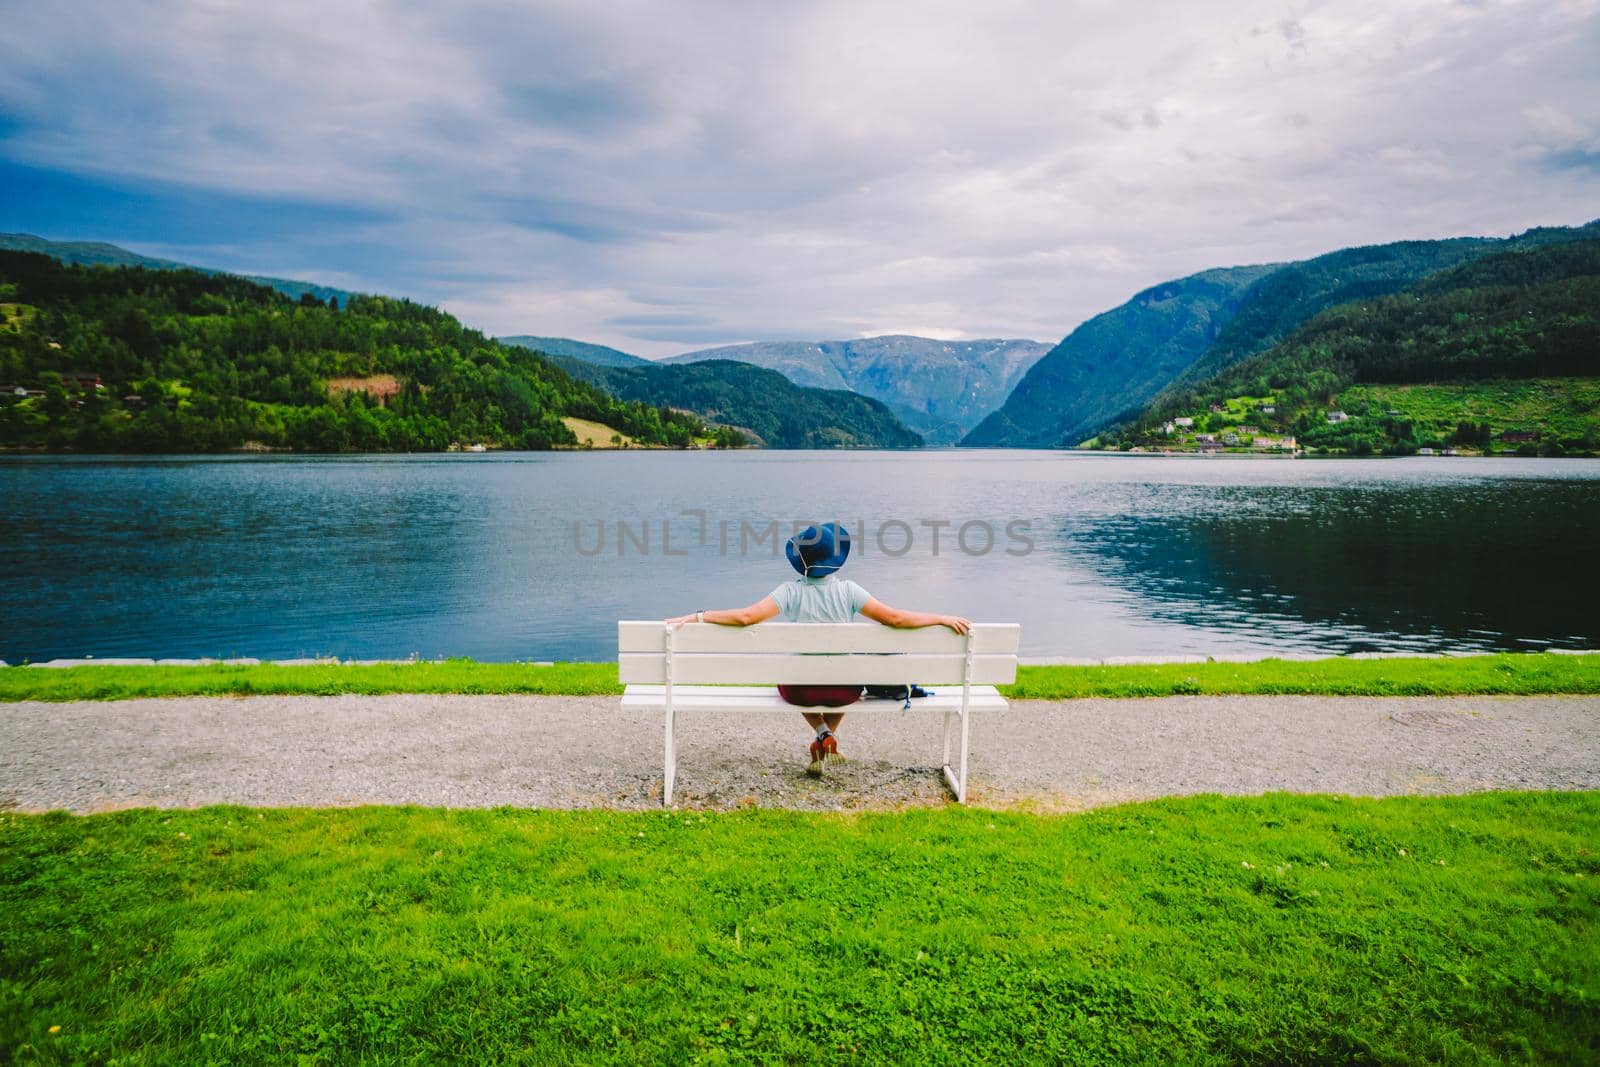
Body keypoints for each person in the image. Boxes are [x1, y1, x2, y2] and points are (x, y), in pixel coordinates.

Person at [665, 522, 970, 776]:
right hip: (845, 692)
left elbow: (746, 617)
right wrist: (941, 618)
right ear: (836, 559)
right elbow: (895, 619)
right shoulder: (850, 591)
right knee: (845, 680)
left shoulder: (789, 592)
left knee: (798, 680)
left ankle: (821, 732)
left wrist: (698, 616)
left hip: (800, 690)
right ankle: (829, 735)